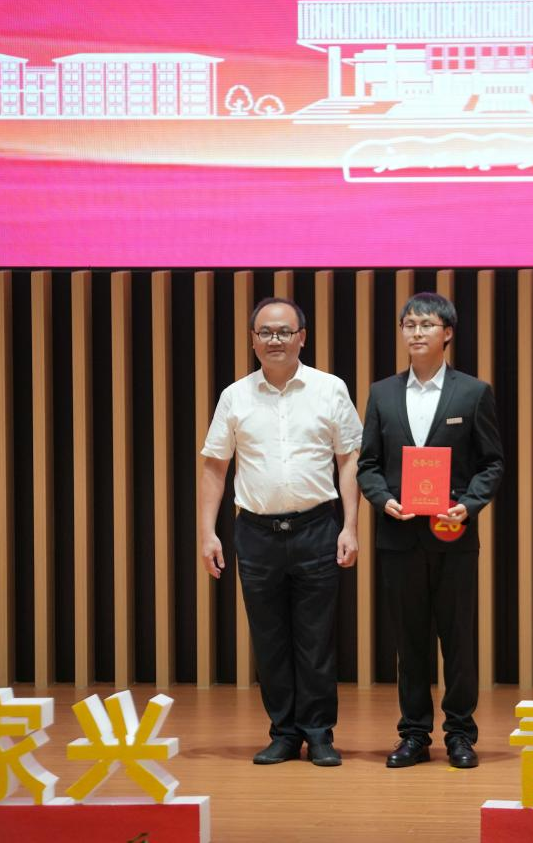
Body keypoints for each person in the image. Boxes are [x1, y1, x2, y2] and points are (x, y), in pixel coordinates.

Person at [199, 297, 362, 767]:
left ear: (302, 338)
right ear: (253, 339)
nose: (275, 340)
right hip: (256, 532)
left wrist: (350, 525)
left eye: (284, 331)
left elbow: (349, 458)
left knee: (316, 639)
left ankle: (320, 733)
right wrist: (207, 533)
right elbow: (215, 466)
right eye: (266, 332)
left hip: (317, 527)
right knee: (269, 639)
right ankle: (284, 734)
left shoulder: (330, 389)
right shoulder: (235, 396)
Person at [357, 292, 504, 769]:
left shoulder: (473, 392)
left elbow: (492, 463)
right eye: (409, 325)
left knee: (458, 641)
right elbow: (368, 464)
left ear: (448, 333)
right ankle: (414, 735)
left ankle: (460, 734)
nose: (416, 332)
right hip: (399, 538)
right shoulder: (382, 393)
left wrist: (469, 505)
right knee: (410, 641)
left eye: (426, 325)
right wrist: (383, 499)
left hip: (453, 536)